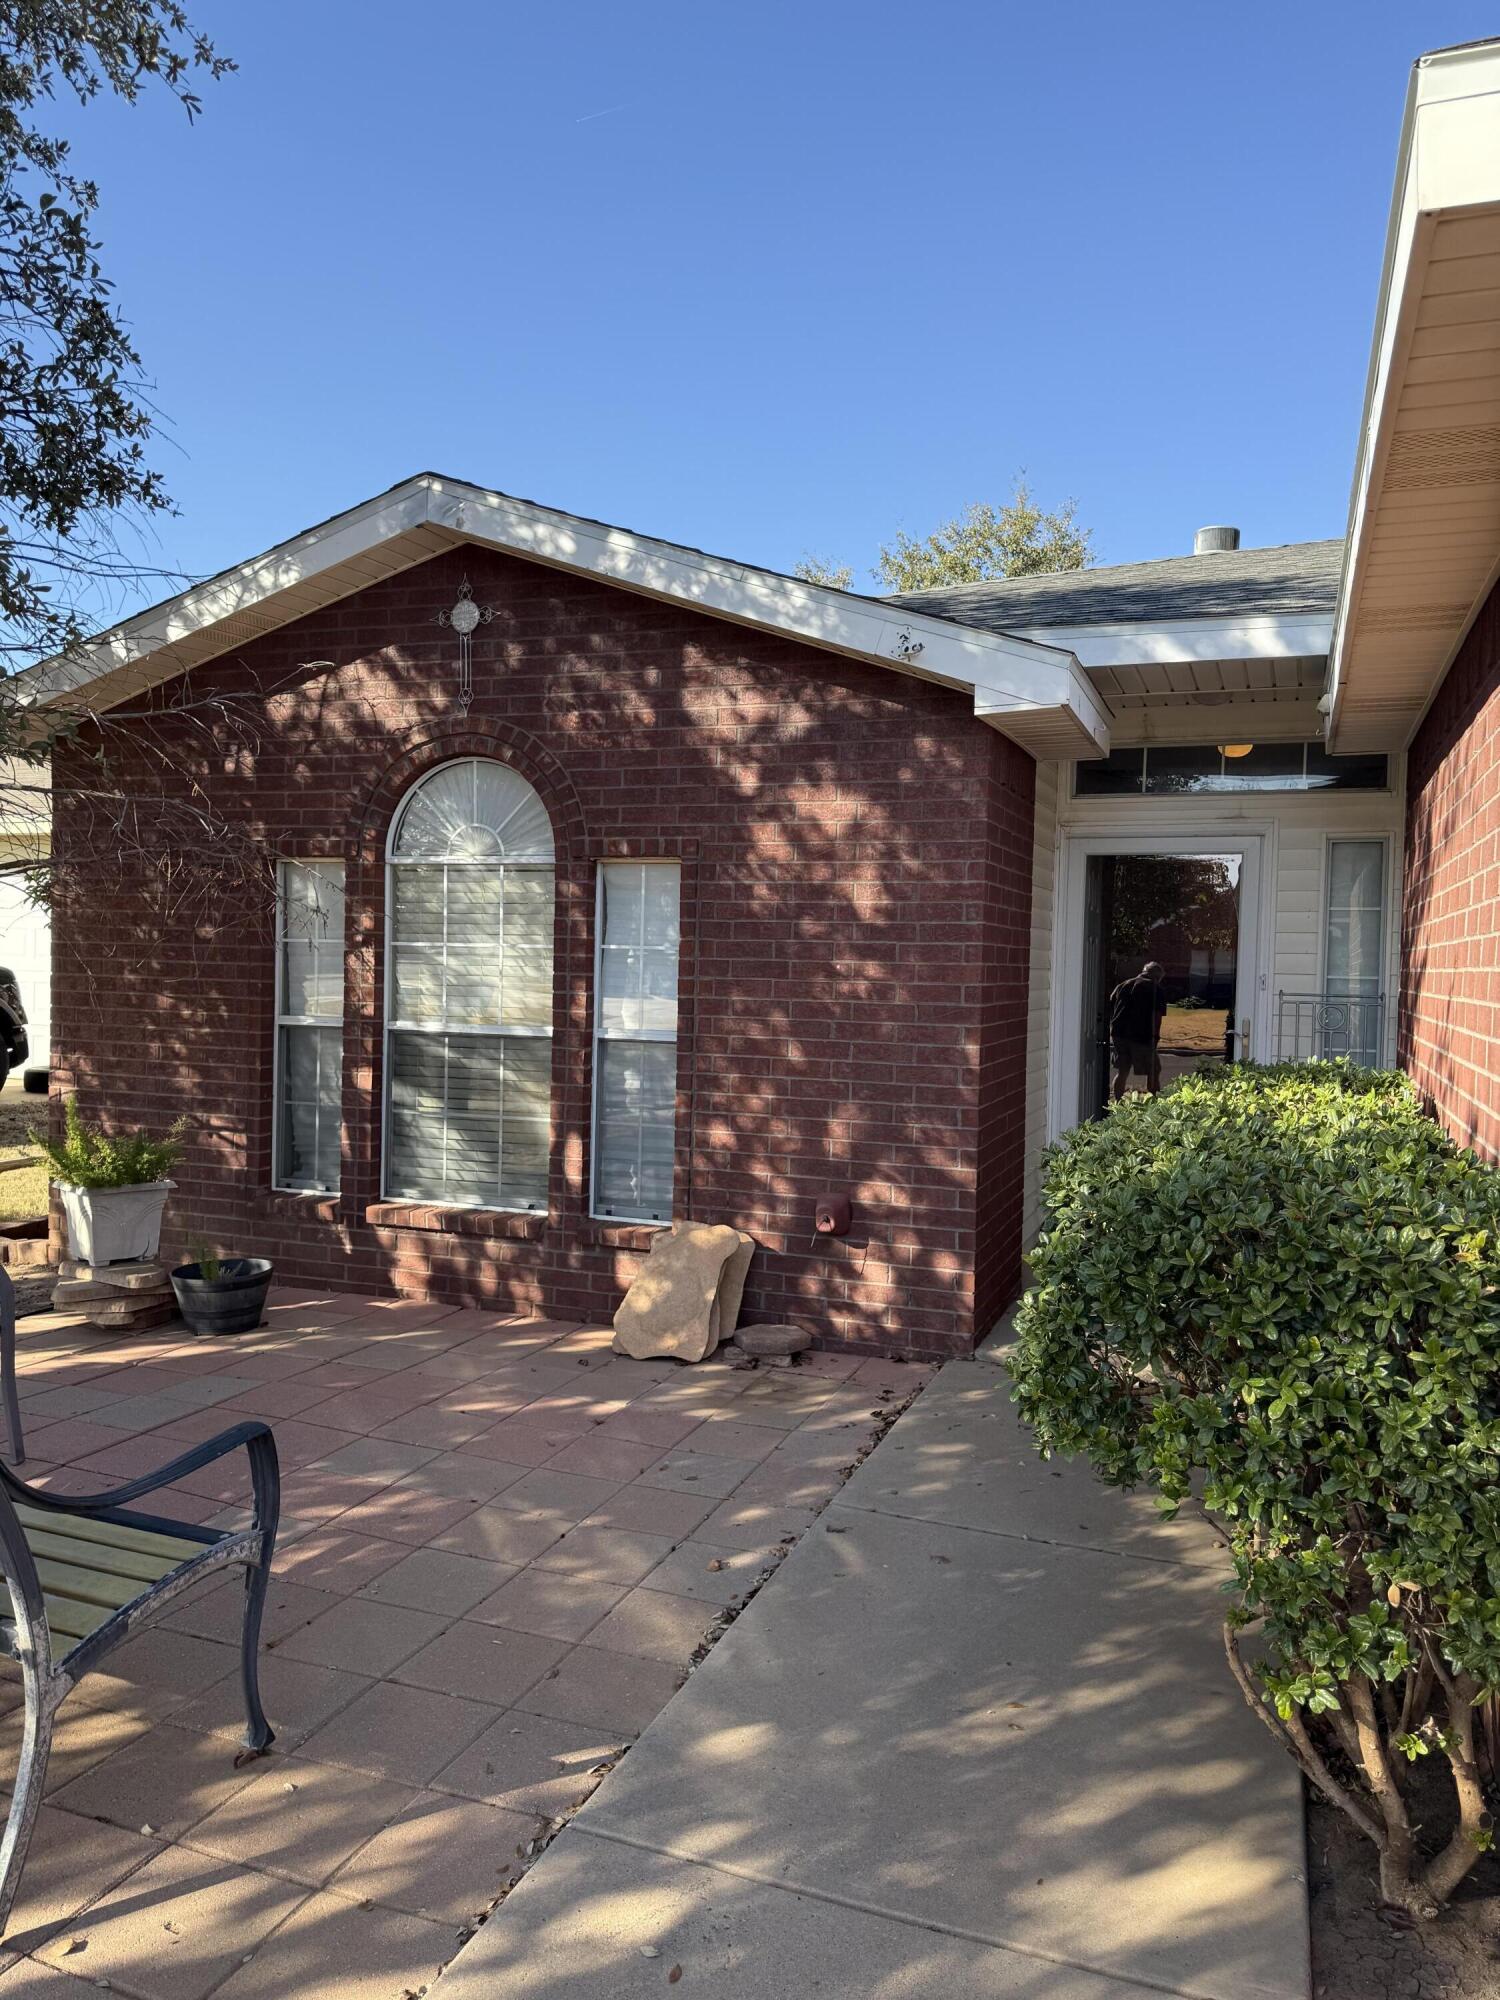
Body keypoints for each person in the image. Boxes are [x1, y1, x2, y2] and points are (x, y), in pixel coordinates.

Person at [1109, 960, 1167, 1100]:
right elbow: (1156, 1015)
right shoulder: (1155, 988)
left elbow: (1111, 1003)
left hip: (1119, 1034)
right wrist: (1155, 1037)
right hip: (1141, 1035)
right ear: (1156, 976)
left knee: (1123, 1070)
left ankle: (1117, 1102)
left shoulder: (1123, 985)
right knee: (1154, 1069)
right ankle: (1154, 1101)